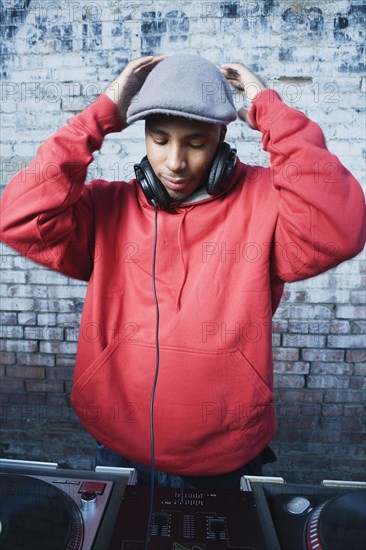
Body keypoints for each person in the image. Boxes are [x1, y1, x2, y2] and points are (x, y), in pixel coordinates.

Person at [0, 54, 364, 490]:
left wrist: (271, 110)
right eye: (159, 139)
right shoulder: (104, 208)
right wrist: (100, 115)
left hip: (225, 451)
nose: (174, 162)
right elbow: (19, 218)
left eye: (195, 142)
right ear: (144, 136)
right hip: (119, 443)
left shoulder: (269, 202)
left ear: (221, 137)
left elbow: (340, 228)